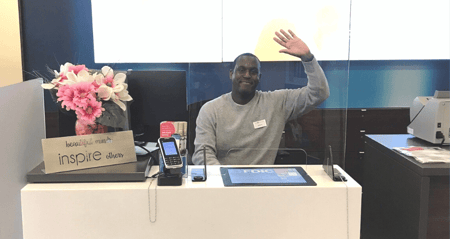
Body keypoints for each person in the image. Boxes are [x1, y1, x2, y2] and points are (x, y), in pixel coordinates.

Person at [192, 29, 330, 165]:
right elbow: (202, 155)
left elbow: (319, 93)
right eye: (241, 70)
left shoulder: (277, 103)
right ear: (231, 74)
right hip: (225, 183)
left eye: (253, 72)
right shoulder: (210, 110)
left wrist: (308, 58)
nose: (247, 75)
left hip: (263, 184)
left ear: (259, 77)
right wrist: (225, 179)